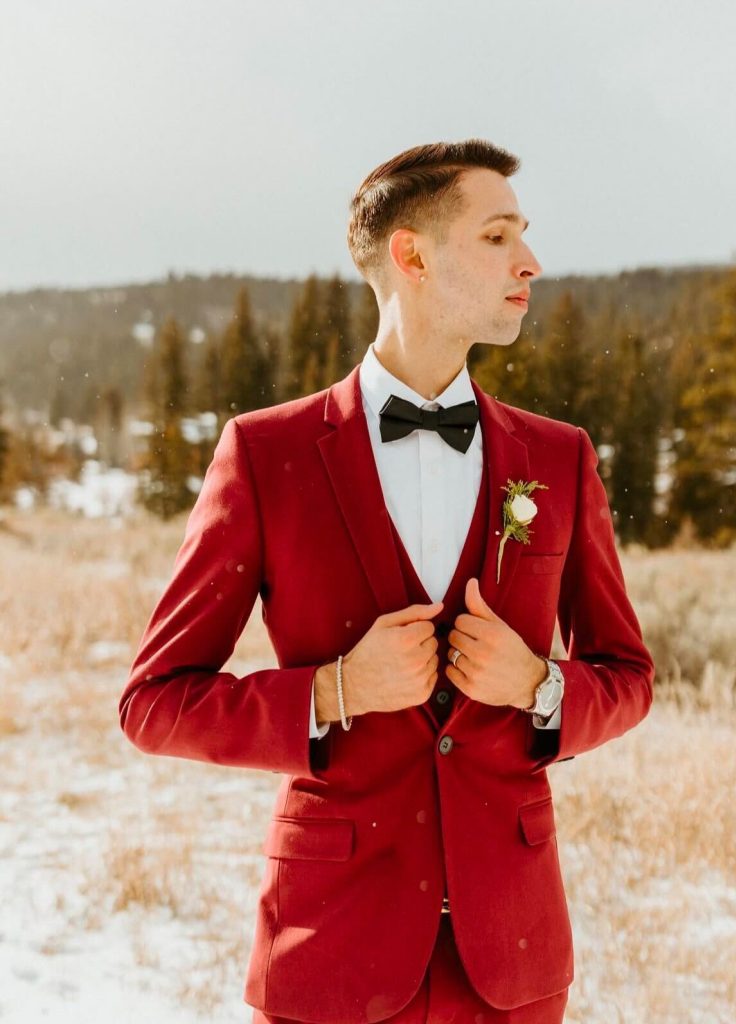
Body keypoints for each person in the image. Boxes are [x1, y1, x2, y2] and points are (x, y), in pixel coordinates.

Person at [119, 138, 655, 1024]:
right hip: (329, 950)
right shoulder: (265, 452)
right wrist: (333, 692)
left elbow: (628, 679)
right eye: (495, 237)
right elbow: (153, 702)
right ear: (410, 255)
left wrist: (539, 686)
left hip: (512, 964)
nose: (530, 262)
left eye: (522, 235)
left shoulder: (558, 457)